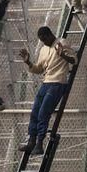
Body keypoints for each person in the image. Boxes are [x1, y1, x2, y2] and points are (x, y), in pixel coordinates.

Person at [17, 26, 76, 156]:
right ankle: (31, 140)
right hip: (46, 83)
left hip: (58, 83)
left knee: (44, 112)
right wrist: (28, 63)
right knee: (35, 111)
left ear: (50, 35)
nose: (44, 42)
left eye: (45, 39)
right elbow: (40, 69)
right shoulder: (44, 49)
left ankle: (39, 142)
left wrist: (63, 55)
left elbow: (74, 60)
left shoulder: (62, 43)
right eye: (42, 40)